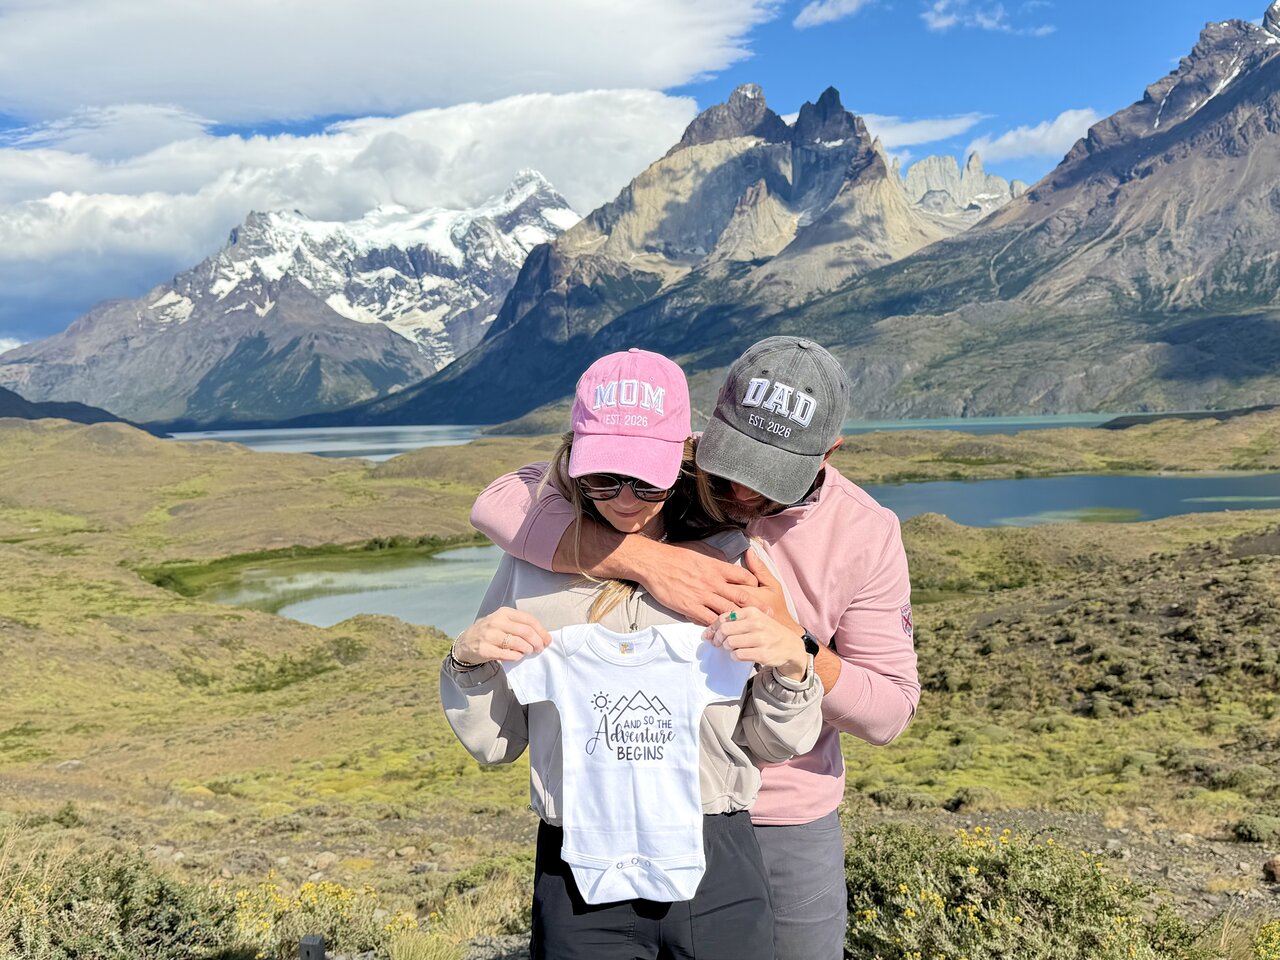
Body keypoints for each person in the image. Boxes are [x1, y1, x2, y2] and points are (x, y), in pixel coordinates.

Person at [470, 336, 920, 960]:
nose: (741, 494)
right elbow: (498, 502)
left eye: (772, 479)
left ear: (829, 452)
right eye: (732, 461)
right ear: (709, 428)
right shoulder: (655, 477)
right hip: (636, 804)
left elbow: (891, 710)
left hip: (785, 813)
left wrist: (794, 643)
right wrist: (644, 560)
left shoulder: (864, 532)